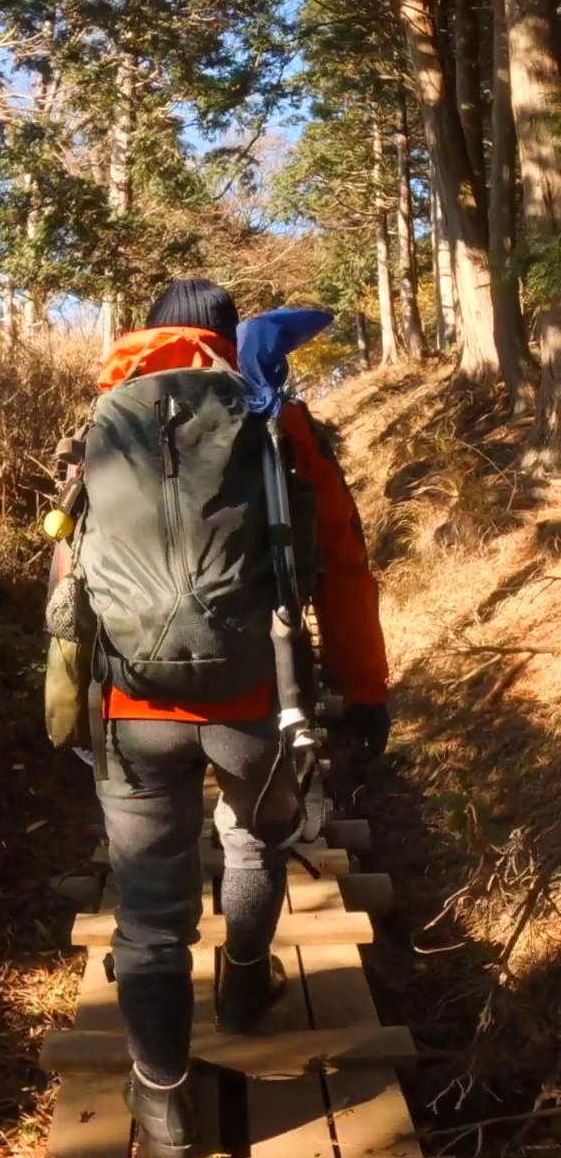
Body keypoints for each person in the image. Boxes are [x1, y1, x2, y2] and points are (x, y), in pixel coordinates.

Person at [44, 278, 389, 1157]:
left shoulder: (101, 419)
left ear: (149, 334)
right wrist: (367, 695)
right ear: (229, 342)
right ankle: (244, 986)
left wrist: (68, 699)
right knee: (255, 842)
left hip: (130, 707)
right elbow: (341, 567)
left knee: (150, 914)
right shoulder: (276, 420)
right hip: (257, 699)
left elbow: (69, 582)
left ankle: (162, 1103)